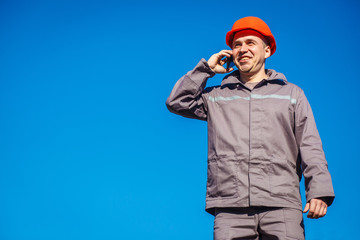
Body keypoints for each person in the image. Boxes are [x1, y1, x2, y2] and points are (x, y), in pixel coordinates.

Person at [166, 16, 335, 240]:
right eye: (237, 45)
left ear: (267, 51)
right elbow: (177, 102)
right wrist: (206, 69)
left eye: (250, 43)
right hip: (230, 206)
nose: (242, 49)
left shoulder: (291, 94)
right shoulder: (217, 96)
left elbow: (310, 144)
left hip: (282, 204)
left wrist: (319, 191)